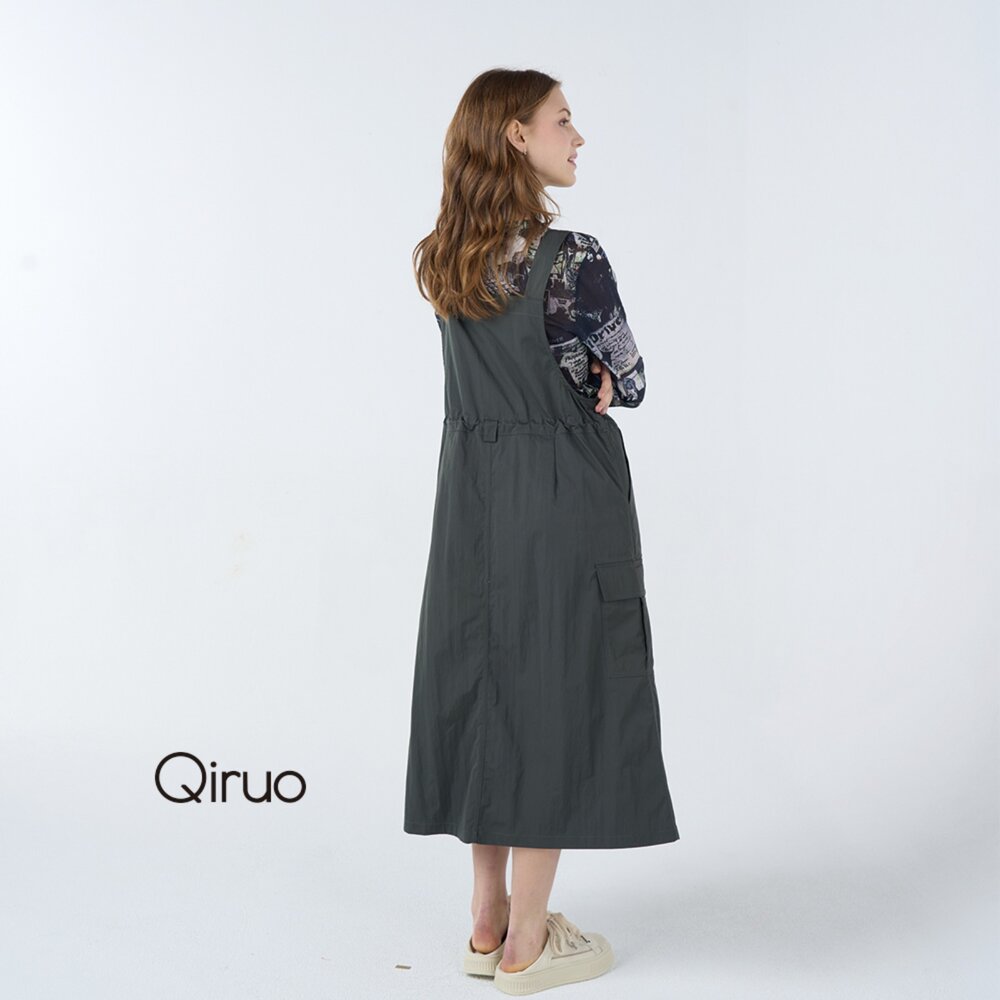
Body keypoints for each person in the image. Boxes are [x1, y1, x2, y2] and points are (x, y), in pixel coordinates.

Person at [403, 68, 680, 995]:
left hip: (471, 493)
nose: (579, 136)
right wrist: (600, 379)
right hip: (559, 488)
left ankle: (485, 924)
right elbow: (629, 377)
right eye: (564, 119)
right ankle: (528, 946)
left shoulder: (444, 256)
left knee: (484, 687)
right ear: (517, 135)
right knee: (554, 690)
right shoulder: (571, 258)